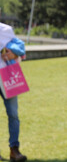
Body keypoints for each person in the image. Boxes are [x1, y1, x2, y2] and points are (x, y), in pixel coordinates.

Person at [0, 23, 27, 162]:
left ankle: (14, 150)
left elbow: (19, 49)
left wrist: (14, 54)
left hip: (8, 76)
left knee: (13, 114)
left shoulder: (6, 30)